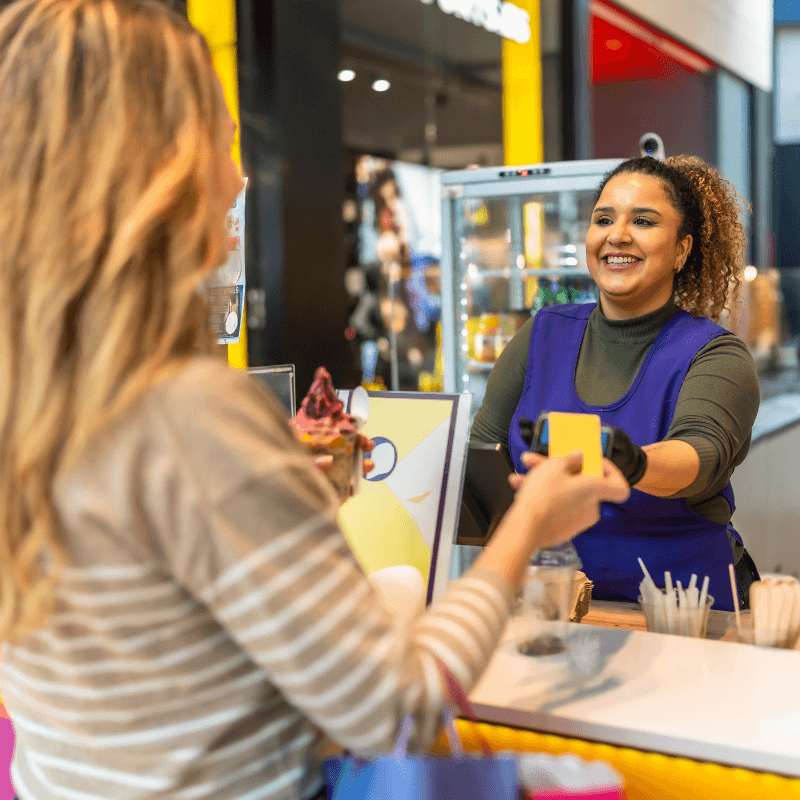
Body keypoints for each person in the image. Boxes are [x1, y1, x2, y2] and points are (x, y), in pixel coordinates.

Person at [0, 2, 630, 799]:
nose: (237, 177)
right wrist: (529, 524)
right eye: (219, 142)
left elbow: (151, 645)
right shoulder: (187, 416)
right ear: (143, 168)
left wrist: (289, 494)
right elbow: (395, 709)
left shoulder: (34, 397)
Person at [472, 155, 761, 613]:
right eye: (603, 219)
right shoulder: (542, 333)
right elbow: (483, 454)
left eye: (643, 221)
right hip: (553, 603)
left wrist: (633, 462)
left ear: (682, 250)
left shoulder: (716, 354)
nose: (617, 235)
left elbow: (700, 454)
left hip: (684, 613)